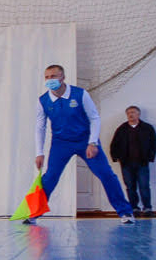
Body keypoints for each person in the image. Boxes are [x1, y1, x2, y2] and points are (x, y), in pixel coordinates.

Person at [24, 65, 134, 225]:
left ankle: (126, 213)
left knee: (106, 174)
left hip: (85, 141)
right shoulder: (43, 101)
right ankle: (33, 214)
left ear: (62, 77)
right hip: (61, 144)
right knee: (50, 178)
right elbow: (40, 127)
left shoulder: (80, 94)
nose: (50, 80)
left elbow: (94, 118)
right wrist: (39, 152)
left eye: (54, 76)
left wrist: (92, 142)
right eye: (47, 77)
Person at [110, 106, 156, 217]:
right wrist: (115, 156)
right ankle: (134, 208)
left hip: (142, 163)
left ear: (138, 114)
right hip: (126, 163)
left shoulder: (147, 128)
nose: (131, 115)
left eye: (133, 112)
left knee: (144, 186)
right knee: (130, 187)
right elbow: (114, 144)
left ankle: (147, 208)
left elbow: (154, 144)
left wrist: (150, 157)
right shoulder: (122, 129)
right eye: (129, 113)